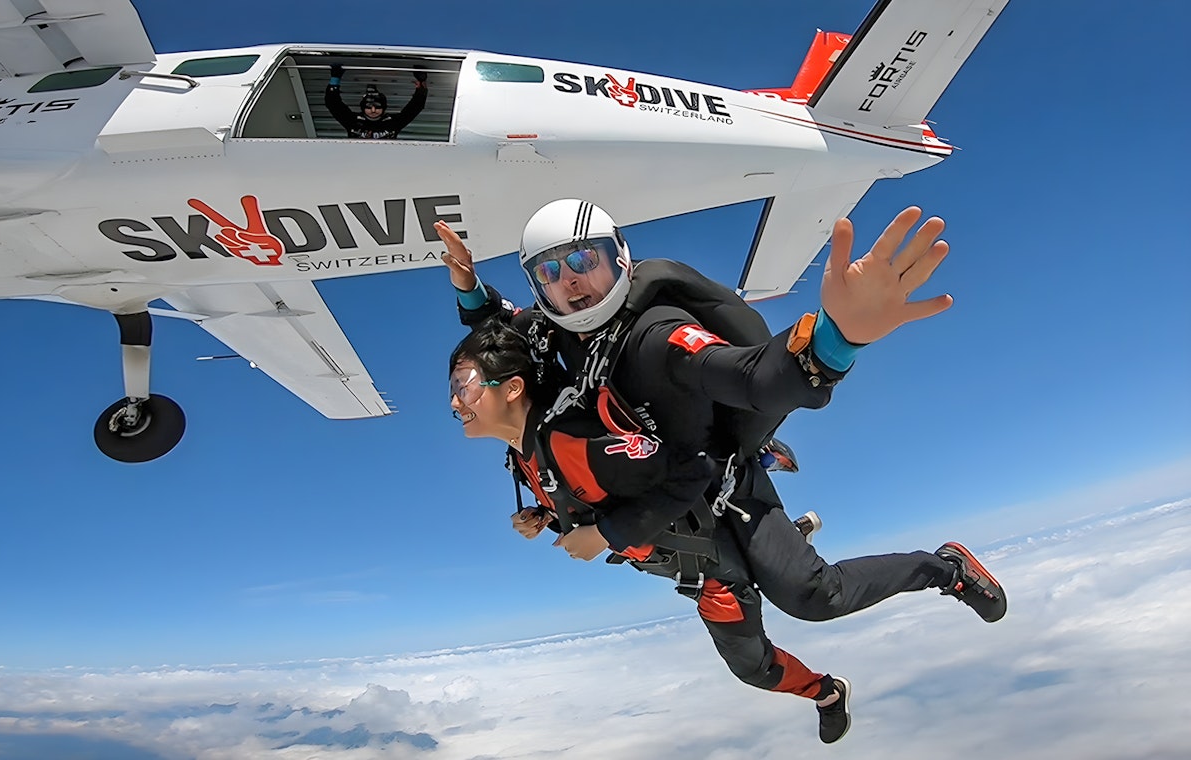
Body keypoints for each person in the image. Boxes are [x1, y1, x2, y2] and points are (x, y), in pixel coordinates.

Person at [436, 200, 1007, 627]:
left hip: (717, 474)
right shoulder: (552, 329)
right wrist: (468, 286)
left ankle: (945, 568)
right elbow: (499, 330)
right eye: (549, 273)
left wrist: (839, 338)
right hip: (670, 479)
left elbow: (752, 378)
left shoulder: (658, 338)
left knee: (814, 598)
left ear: (620, 258)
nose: (570, 281)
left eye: (584, 259)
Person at [448, 318, 854, 743]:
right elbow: (595, 495)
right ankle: (781, 539)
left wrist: (603, 535)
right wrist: (546, 517)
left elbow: (689, 469)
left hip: (711, 570)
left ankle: (827, 692)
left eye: (464, 385)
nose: (455, 401)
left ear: (512, 388)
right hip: (686, 556)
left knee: (756, 668)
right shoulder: (524, 455)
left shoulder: (569, 440)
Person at [325, 63, 427, 140]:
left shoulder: (392, 123)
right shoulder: (353, 121)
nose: (373, 110)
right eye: (369, 106)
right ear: (363, 107)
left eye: (378, 106)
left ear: (384, 108)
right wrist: (335, 80)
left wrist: (421, 86)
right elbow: (333, 104)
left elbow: (414, 108)